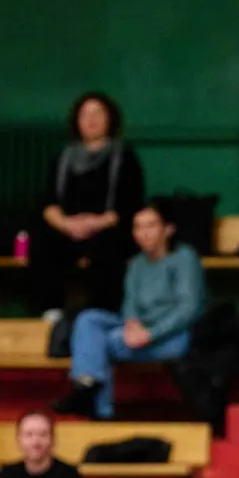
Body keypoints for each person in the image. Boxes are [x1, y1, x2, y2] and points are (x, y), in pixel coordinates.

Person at [53, 201, 206, 420]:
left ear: (168, 229)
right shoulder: (136, 263)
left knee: (102, 343)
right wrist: (132, 323)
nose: (143, 233)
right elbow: (130, 303)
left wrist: (150, 333)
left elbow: (189, 308)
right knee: (89, 319)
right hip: (139, 329)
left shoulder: (185, 258)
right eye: (138, 227)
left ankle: (100, 411)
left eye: (150, 226)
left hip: (173, 335)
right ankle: (85, 385)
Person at [29, 92, 145, 320]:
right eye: (85, 115)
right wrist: (66, 224)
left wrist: (95, 223)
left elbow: (130, 203)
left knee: (109, 246)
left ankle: (101, 313)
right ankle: (51, 310)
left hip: (106, 227)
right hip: (68, 228)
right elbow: (48, 202)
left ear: (110, 119)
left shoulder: (125, 156)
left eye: (97, 113)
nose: (91, 120)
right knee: (43, 240)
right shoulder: (63, 157)